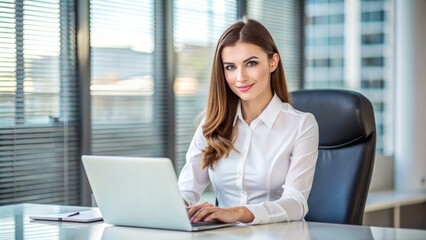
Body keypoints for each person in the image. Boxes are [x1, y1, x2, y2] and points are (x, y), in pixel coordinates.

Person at [177, 18, 319, 225]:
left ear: (273, 62)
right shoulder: (213, 122)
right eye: (230, 67)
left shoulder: (302, 125)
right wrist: (177, 206)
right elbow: (186, 189)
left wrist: (238, 213)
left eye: (251, 63)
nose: (240, 77)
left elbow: (296, 203)